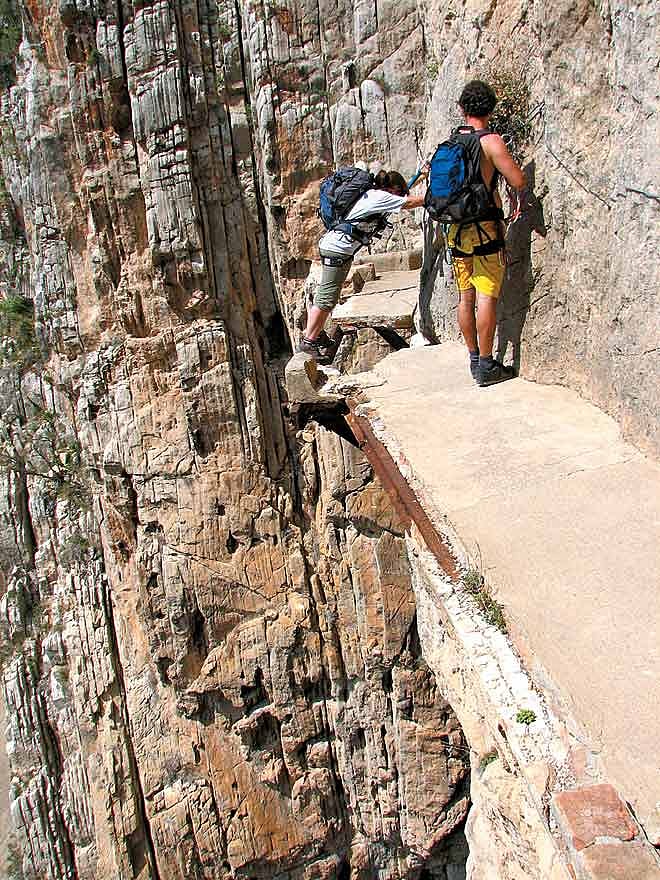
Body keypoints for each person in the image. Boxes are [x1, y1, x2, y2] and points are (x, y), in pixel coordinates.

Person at [298, 170, 426, 361]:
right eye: (399, 192)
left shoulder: (374, 194)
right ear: (392, 189)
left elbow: (404, 192)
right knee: (327, 297)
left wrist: (420, 175)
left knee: (329, 294)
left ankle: (317, 334)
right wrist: (439, 194)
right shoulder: (379, 197)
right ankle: (309, 341)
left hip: (338, 248)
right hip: (337, 250)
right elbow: (408, 202)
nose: (400, 196)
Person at [448, 80, 528, 387]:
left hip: (455, 230)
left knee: (465, 297)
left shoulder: (452, 142)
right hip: (485, 230)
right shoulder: (491, 142)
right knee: (486, 297)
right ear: (491, 109)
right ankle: (486, 364)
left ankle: (472, 359)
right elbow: (518, 180)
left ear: (461, 109)